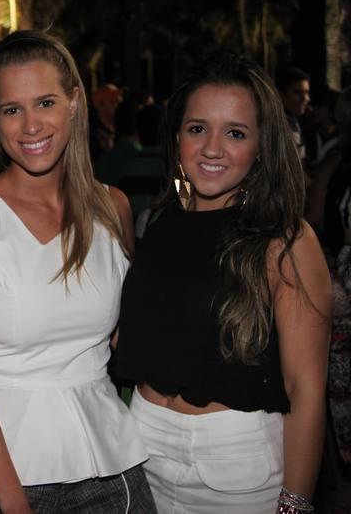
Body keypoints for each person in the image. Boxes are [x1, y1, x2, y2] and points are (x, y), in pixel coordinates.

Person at [0, 30, 154, 513]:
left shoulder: (112, 206)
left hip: (114, 465)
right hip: (7, 475)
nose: (31, 125)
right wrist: (14, 504)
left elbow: (125, 342)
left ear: (74, 103)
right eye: (12, 109)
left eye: (46, 102)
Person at [116, 53, 331, 513]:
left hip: (235, 465)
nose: (212, 149)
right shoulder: (161, 221)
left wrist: (295, 505)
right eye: (198, 128)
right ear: (177, 137)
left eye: (235, 133)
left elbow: (307, 387)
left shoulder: (286, 240)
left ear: (262, 145)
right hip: (141, 447)